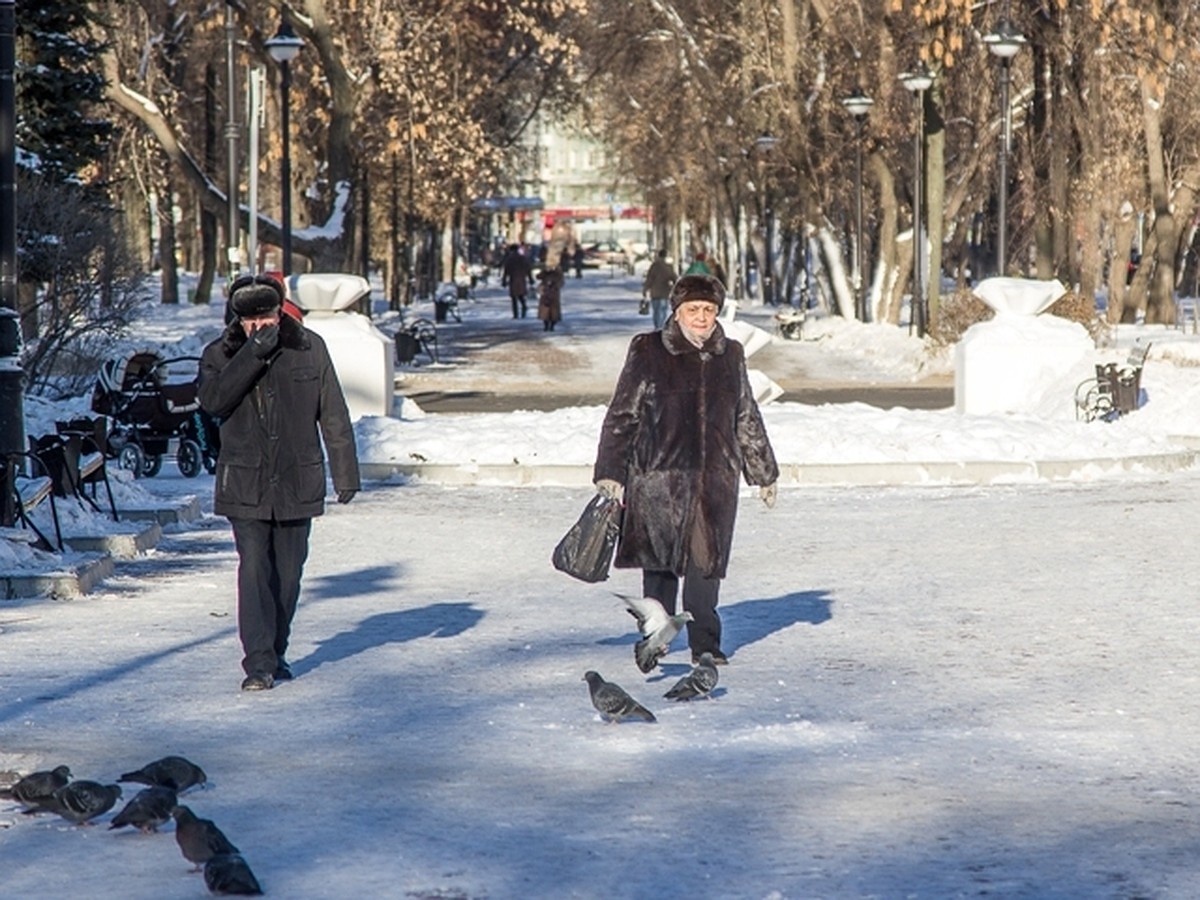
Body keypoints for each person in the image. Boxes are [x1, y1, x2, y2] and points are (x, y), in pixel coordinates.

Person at [592, 273, 778, 666]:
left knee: (705, 566)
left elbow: (746, 413)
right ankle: (655, 640)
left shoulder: (731, 354)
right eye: (693, 309)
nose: (701, 317)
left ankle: (706, 645)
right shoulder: (648, 350)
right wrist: (611, 469)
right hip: (659, 480)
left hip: (715, 481)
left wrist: (763, 471)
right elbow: (622, 414)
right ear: (677, 312)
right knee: (659, 567)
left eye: (708, 310)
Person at [199, 278, 360, 692]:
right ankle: (258, 663)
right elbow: (215, 401)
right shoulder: (220, 355)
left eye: (266, 317)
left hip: (296, 478)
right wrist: (252, 355)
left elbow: (334, 412)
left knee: (288, 575)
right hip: (245, 482)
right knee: (254, 569)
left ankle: (276, 649)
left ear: (280, 312)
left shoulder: (309, 347)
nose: (259, 326)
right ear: (238, 320)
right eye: (250, 319)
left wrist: (346, 473)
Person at [641, 249, 677, 330]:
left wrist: (645, 289)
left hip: (655, 292)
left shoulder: (654, 266)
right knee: (663, 310)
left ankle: (657, 326)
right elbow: (674, 278)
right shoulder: (668, 267)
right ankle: (661, 326)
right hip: (665, 291)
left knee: (656, 311)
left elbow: (649, 279)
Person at [501, 243, 533, 318]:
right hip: (522, 279)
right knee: (521, 296)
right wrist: (530, 278)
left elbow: (506, 271)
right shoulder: (523, 258)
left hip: (513, 279)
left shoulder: (509, 259)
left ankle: (516, 314)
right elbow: (528, 269)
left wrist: (504, 280)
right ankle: (524, 307)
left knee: (514, 298)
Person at [537, 260, 564, 331]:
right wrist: (545, 271)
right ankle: (546, 325)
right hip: (545, 293)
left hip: (554, 293)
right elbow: (538, 276)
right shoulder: (545, 272)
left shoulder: (558, 273)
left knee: (554, 311)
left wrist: (554, 286)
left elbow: (561, 282)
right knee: (545, 310)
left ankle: (552, 325)